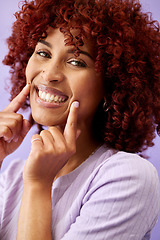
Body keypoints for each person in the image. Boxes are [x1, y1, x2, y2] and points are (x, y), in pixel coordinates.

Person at [0, 0, 160, 239]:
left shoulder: (128, 177)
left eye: (76, 61)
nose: (50, 74)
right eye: (43, 53)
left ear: (112, 84)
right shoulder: (11, 175)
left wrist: (38, 186)